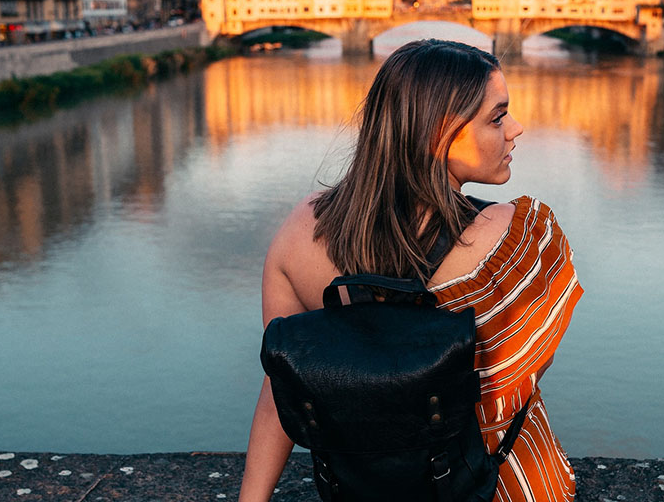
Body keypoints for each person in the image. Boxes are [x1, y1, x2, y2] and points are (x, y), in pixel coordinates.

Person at [238, 39, 583, 502]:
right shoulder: (523, 240)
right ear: (439, 132)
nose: (515, 129)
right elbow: (515, 385)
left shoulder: (300, 232)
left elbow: (282, 384)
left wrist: (252, 499)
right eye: (498, 117)